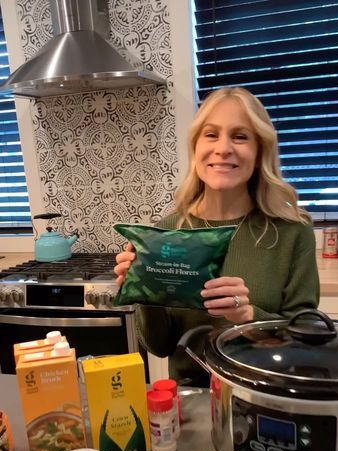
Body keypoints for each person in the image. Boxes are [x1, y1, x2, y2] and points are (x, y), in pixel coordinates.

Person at [114, 87, 320, 386]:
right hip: (190, 400)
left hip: (267, 394)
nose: (223, 148)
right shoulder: (167, 232)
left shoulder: (293, 231)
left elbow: (308, 335)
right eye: (211, 135)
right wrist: (143, 290)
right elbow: (159, 347)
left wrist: (249, 315)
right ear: (196, 147)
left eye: (239, 136)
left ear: (260, 149)